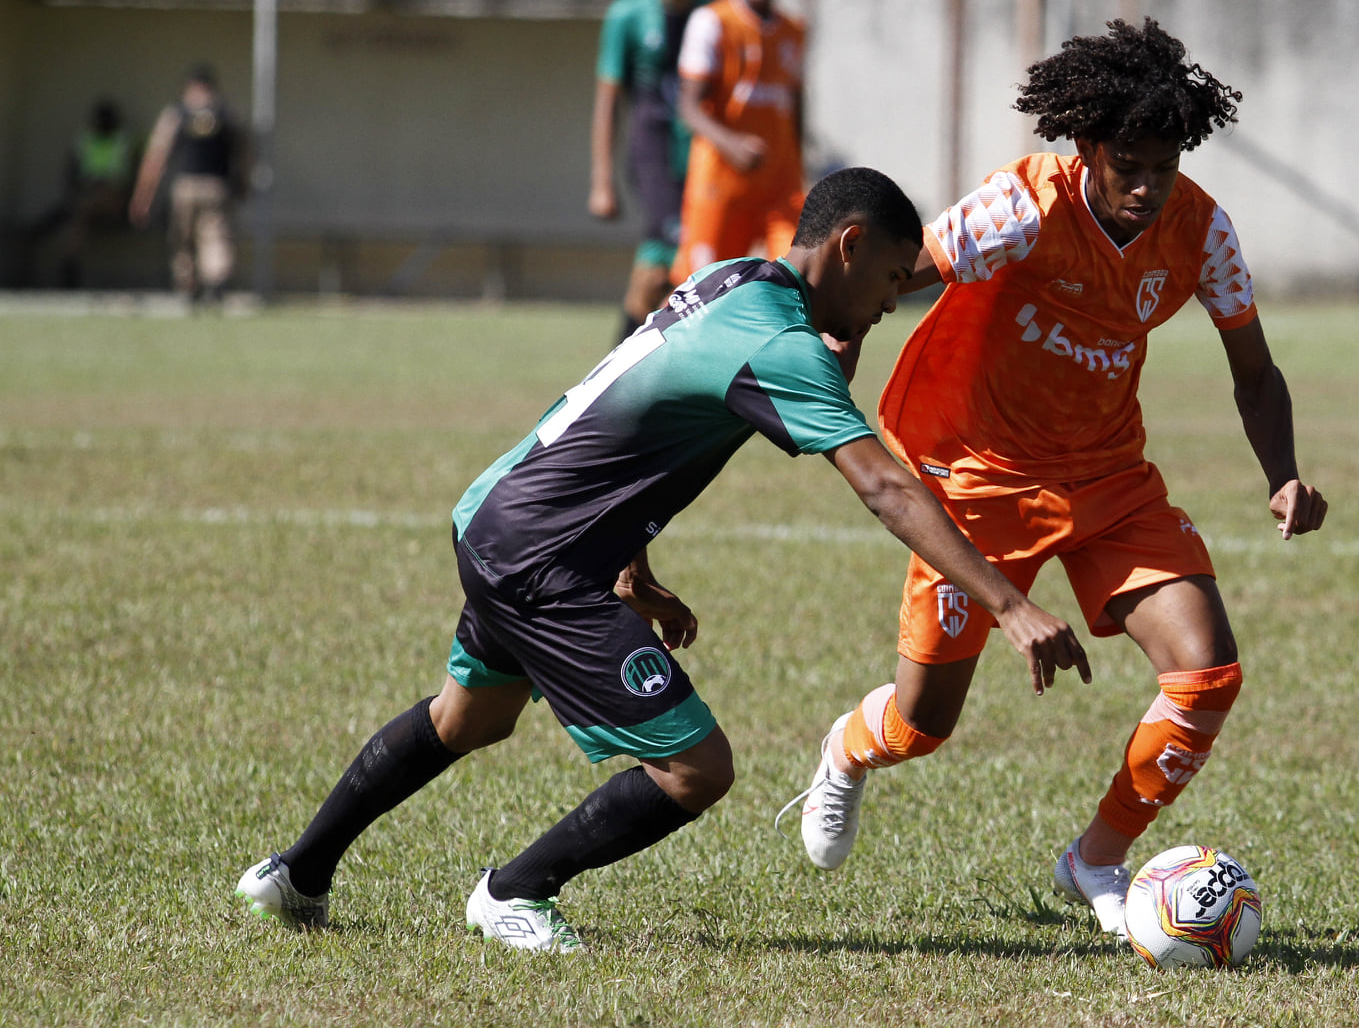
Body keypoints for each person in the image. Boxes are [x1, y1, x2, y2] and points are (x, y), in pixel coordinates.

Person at [232, 167, 1091, 954]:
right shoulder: (781, 342)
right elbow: (887, 490)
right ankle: (513, 892)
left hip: (500, 515)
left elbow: (624, 417)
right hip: (541, 555)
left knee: (470, 718)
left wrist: (632, 570)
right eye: (894, 281)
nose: (892, 304)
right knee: (694, 768)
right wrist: (1008, 605)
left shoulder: (733, 280)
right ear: (850, 245)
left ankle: (294, 875)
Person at [783, 19, 1328, 939]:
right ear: (1085, 148)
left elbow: (1253, 370)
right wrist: (830, 349)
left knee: (1206, 675)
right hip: (976, 477)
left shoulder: (1201, 232)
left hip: (1108, 476)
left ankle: (1096, 860)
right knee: (922, 726)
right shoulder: (1023, 209)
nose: (1146, 186)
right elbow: (879, 279)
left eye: (1164, 163)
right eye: (1127, 164)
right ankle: (845, 750)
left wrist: (1282, 473)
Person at [669, 0, 805, 285]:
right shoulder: (713, 21)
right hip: (721, 183)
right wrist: (731, 145)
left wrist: (798, 162)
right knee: (704, 288)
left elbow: (796, 107)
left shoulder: (793, 30)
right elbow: (688, 106)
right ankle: (653, 330)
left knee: (799, 280)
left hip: (780, 185)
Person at [590, 0, 702, 341]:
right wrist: (601, 181)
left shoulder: (712, 13)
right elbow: (607, 100)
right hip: (653, 159)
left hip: (704, 161)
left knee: (682, 272)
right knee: (662, 265)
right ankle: (617, 368)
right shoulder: (629, 15)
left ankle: (629, 369)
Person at [129, 63, 247, 305]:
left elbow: (156, 157)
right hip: (217, 187)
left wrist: (142, 197)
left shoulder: (176, 114)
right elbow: (245, 153)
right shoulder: (227, 114)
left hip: (185, 187)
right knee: (216, 236)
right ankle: (215, 283)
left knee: (183, 240)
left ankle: (187, 285)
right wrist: (243, 182)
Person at [29, 98, 135, 288]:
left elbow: (124, 179)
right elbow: (71, 173)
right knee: (77, 216)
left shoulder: (122, 140)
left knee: (79, 210)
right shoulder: (85, 139)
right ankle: (70, 267)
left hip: (113, 199)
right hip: (86, 197)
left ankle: (69, 265)